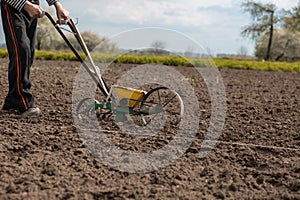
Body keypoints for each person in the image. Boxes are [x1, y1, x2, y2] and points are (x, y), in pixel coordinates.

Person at [1, 0, 70, 116]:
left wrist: (58, 5)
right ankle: (22, 100)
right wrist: (25, 5)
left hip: (32, 7)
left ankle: (12, 101)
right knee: (22, 51)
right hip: (14, 7)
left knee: (29, 54)